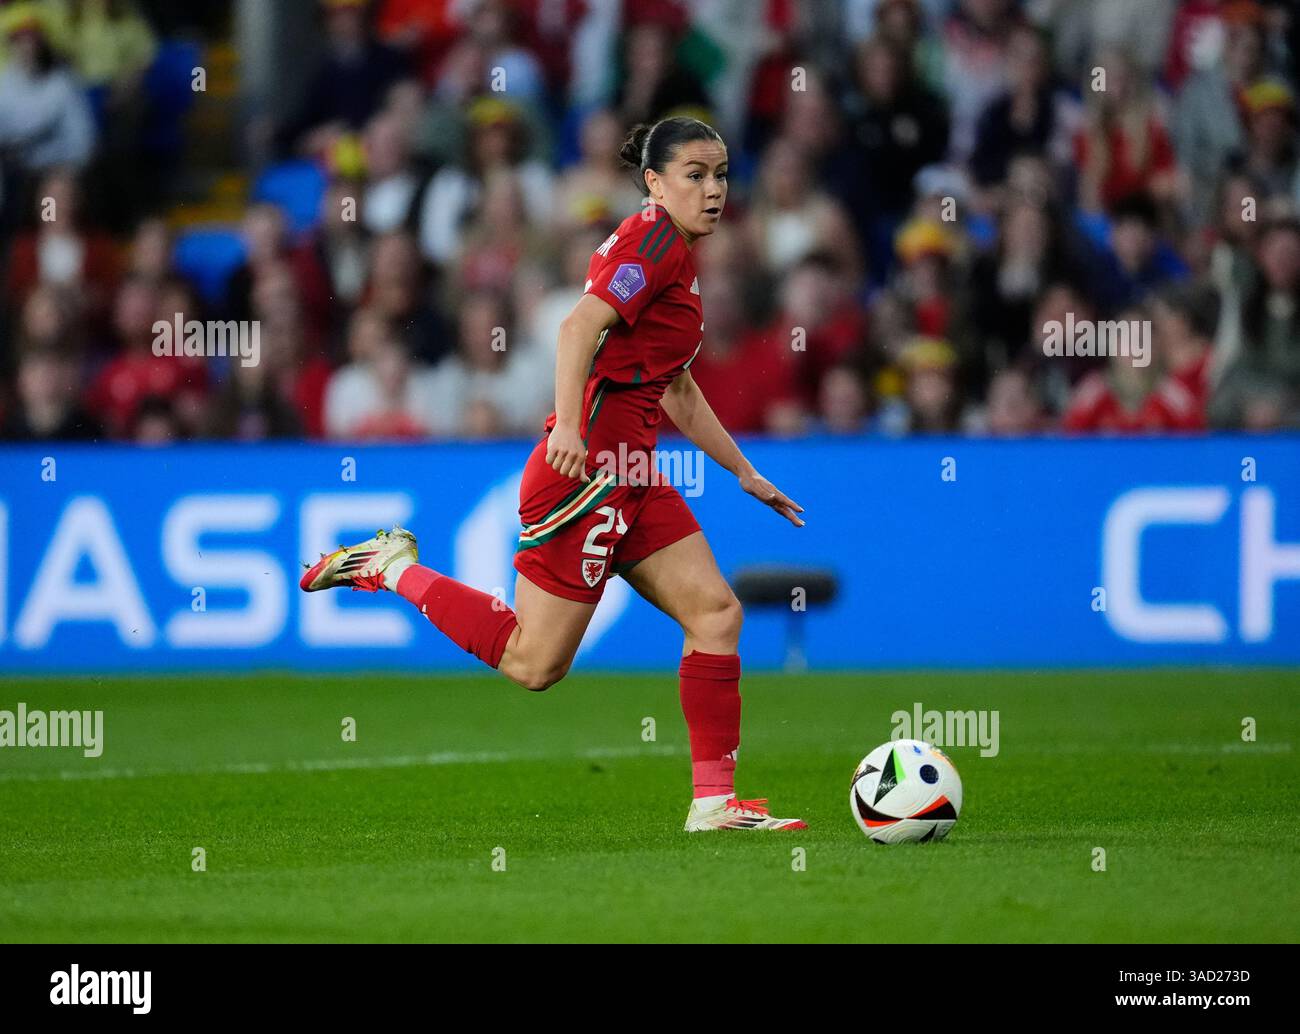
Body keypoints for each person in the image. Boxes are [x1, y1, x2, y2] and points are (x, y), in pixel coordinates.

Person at [301, 117, 809, 832]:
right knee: (533, 663)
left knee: (717, 614)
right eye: (694, 174)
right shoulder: (653, 240)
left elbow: (677, 388)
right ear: (655, 184)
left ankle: (714, 803)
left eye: (721, 173)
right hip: (588, 476)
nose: (714, 189)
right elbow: (578, 327)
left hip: (632, 473)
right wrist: (569, 426)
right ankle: (391, 567)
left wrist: (742, 472)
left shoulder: (676, 259)